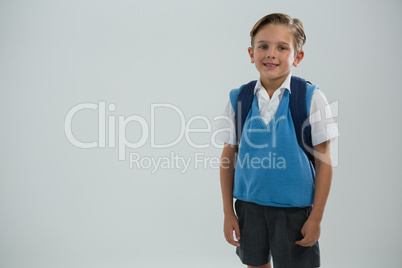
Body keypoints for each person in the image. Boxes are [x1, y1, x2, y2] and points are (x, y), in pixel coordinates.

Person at [215, 13, 339, 268]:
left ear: (298, 56)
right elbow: (228, 156)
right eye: (263, 46)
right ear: (251, 54)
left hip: (294, 210)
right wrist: (228, 212)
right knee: (256, 264)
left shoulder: (310, 98)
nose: (271, 53)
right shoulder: (239, 98)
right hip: (249, 207)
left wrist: (315, 218)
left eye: (282, 47)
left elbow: (324, 162)